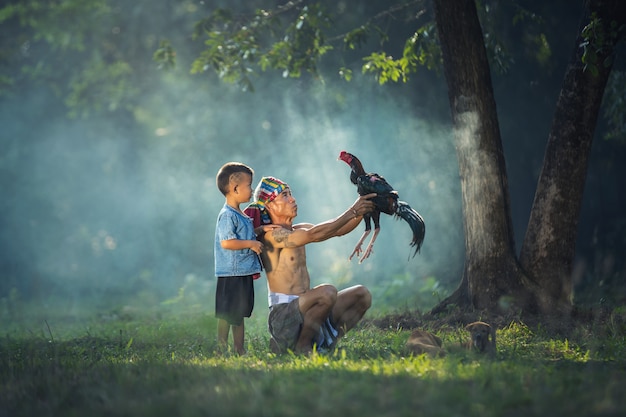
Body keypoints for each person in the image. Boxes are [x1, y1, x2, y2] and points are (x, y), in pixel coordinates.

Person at [244, 177, 376, 354]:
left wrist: (363, 210)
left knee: (362, 295)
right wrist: (353, 210)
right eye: (284, 195)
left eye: (291, 194)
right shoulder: (271, 237)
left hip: (307, 308)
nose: (292, 199)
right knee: (327, 292)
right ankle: (302, 347)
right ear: (269, 205)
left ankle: (325, 344)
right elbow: (314, 235)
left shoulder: (300, 229)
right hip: (283, 317)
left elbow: (337, 230)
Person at [214, 162, 276, 355]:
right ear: (234, 187)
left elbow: (244, 235)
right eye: (249, 185)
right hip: (232, 273)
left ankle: (239, 348)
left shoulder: (242, 215)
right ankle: (222, 347)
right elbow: (227, 242)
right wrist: (251, 244)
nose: (251, 189)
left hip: (243, 272)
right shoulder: (227, 216)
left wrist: (259, 230)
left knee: (238, 313)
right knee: (226, 313)